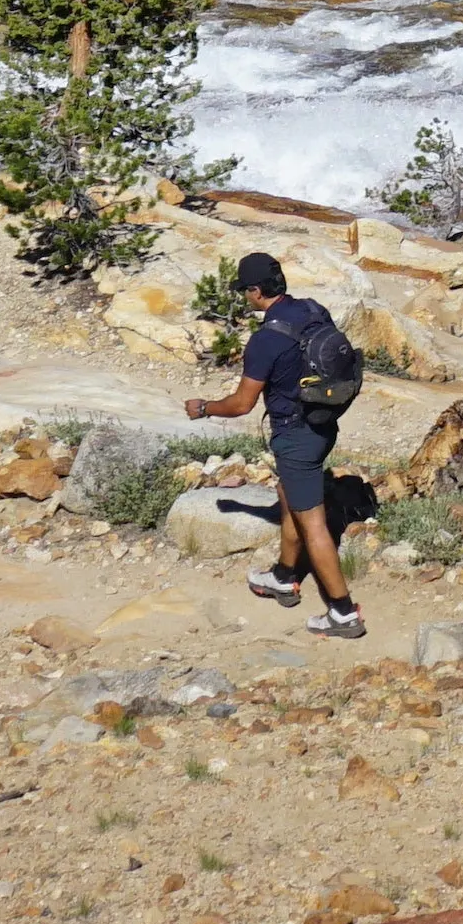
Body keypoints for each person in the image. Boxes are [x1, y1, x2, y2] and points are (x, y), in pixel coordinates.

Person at [185, 249, 368, 640]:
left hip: (296, 435)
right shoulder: (312, 309)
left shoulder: (265, 341)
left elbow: (241, 404)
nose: (244, 297)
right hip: (323, 423)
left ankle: (342, 613)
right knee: (289, 498)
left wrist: (203, 408)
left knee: (314, 526)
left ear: (255, 291)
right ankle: (284, 576)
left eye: (244, 291)